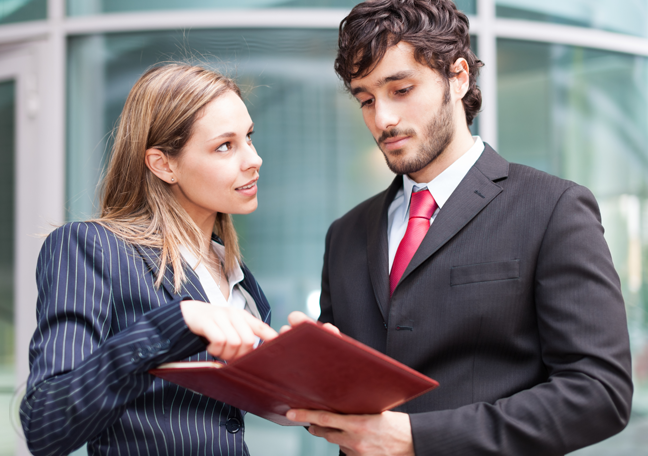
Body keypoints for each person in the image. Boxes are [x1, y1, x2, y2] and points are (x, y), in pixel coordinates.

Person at [286, 1, 633, 455]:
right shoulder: (346, 234)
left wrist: (417, 439)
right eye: (366, 99)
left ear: (459, 76)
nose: (382, 119)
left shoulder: (553, 208)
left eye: (401, 89)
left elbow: (600, 392)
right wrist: (315, 371)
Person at [19, 64, 278, 456]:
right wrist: (176, 322)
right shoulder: (92, 248)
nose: (253, 159)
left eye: (249, 138)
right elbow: (45, 423)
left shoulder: (238, 277)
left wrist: (313, 371)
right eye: (225, 146)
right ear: (163, 164)